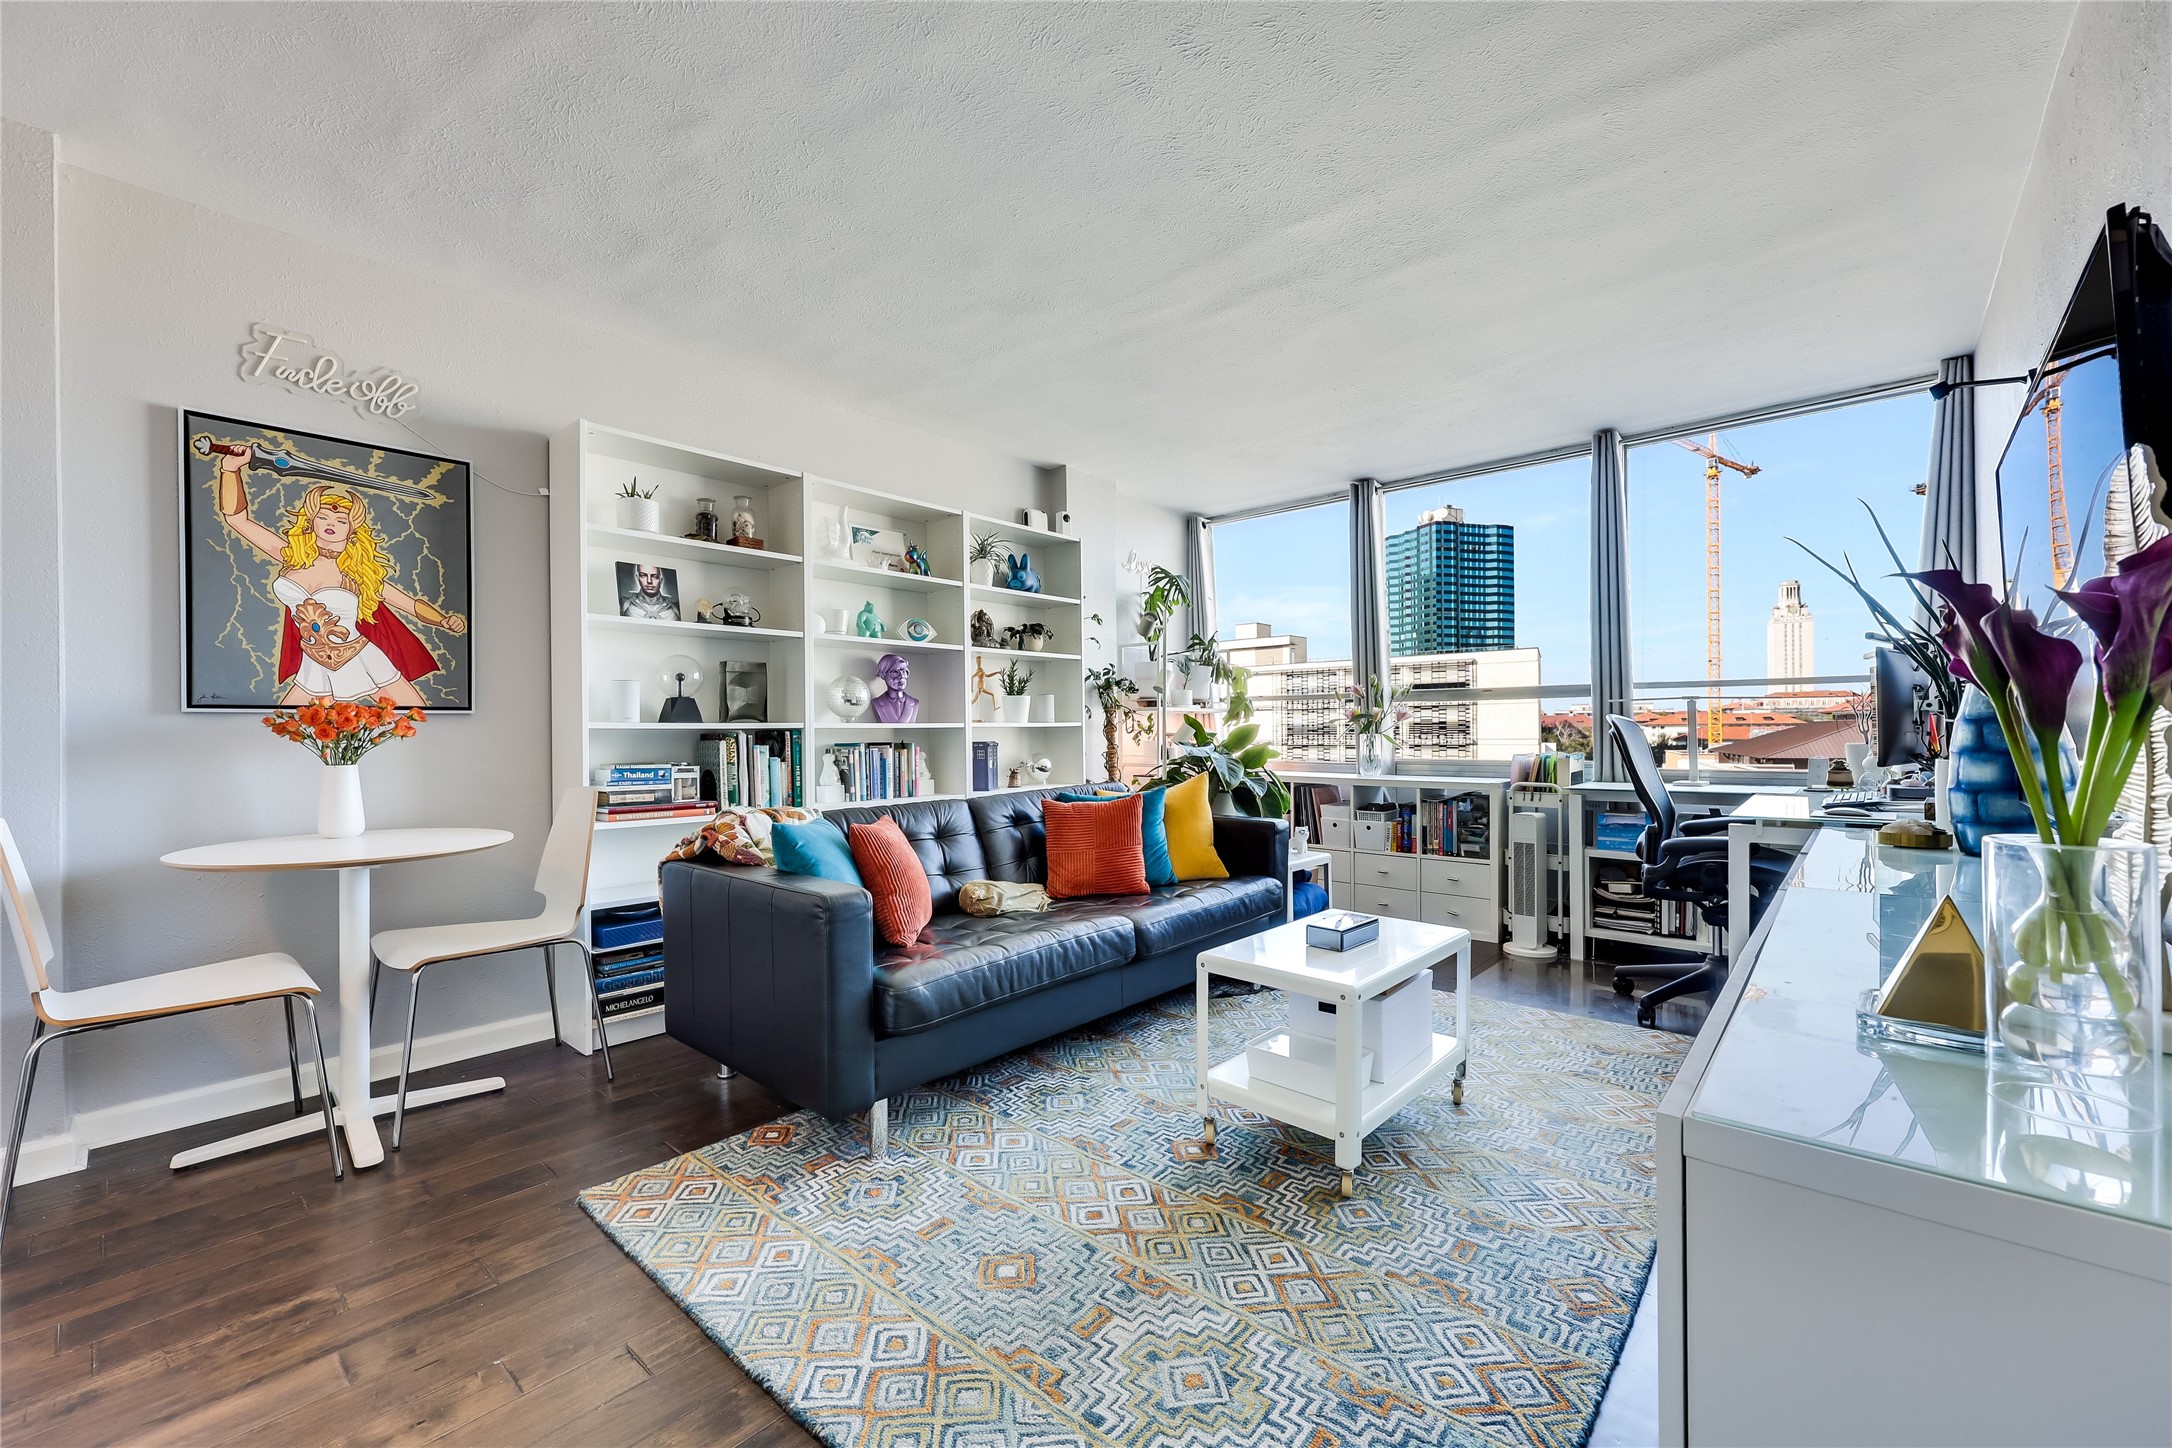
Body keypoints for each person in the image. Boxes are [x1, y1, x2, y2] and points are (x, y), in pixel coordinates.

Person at [211, 443, 465, 706]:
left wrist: (443, 621)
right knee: (290, 729)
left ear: (352, 530)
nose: (331, 524)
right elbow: (236, 519)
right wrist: (230, 469)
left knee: (414, 716)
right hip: (314, 665)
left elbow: (409, 604)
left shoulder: (357, 575)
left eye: (341, 521)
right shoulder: (291, 556)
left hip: (360, 658)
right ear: (312, 522)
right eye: (323, 517)